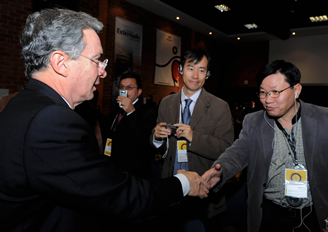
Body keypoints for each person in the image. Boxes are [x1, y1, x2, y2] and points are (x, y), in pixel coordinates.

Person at [0, 8, 210, 232]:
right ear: (60, 63)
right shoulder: (51, 120)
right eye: (96, 60)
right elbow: (120, 196)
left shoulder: (18, 104)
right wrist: (184, 183)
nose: (103, 72)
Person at [203, 60, 328, 232]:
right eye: (263, 93)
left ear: (296, 90)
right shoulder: (254, 121)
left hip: (314, 213)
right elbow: (239, 150)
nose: (267, 100)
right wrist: (221, 170)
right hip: (269, 214)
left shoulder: (327, 119)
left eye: (275, 92)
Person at [152, 48, 235, 231]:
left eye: (202, 70)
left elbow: (227, 148)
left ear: (208, 74)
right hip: (172, 189)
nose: (195, 75)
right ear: (180, 70)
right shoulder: (166, 103)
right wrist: (157, 138)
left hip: (205, 193)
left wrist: (193, 137)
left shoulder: (219, 107)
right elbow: (160, 151)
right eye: (190, 68)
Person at [107, 72, 157, 178]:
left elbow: (145, 141)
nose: (124, 91)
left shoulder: (148, 112)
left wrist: (131, 112)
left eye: (129, 87)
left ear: (139, 92)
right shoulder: (115, 109)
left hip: (135, 172)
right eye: (121, 87)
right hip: (114, 168)